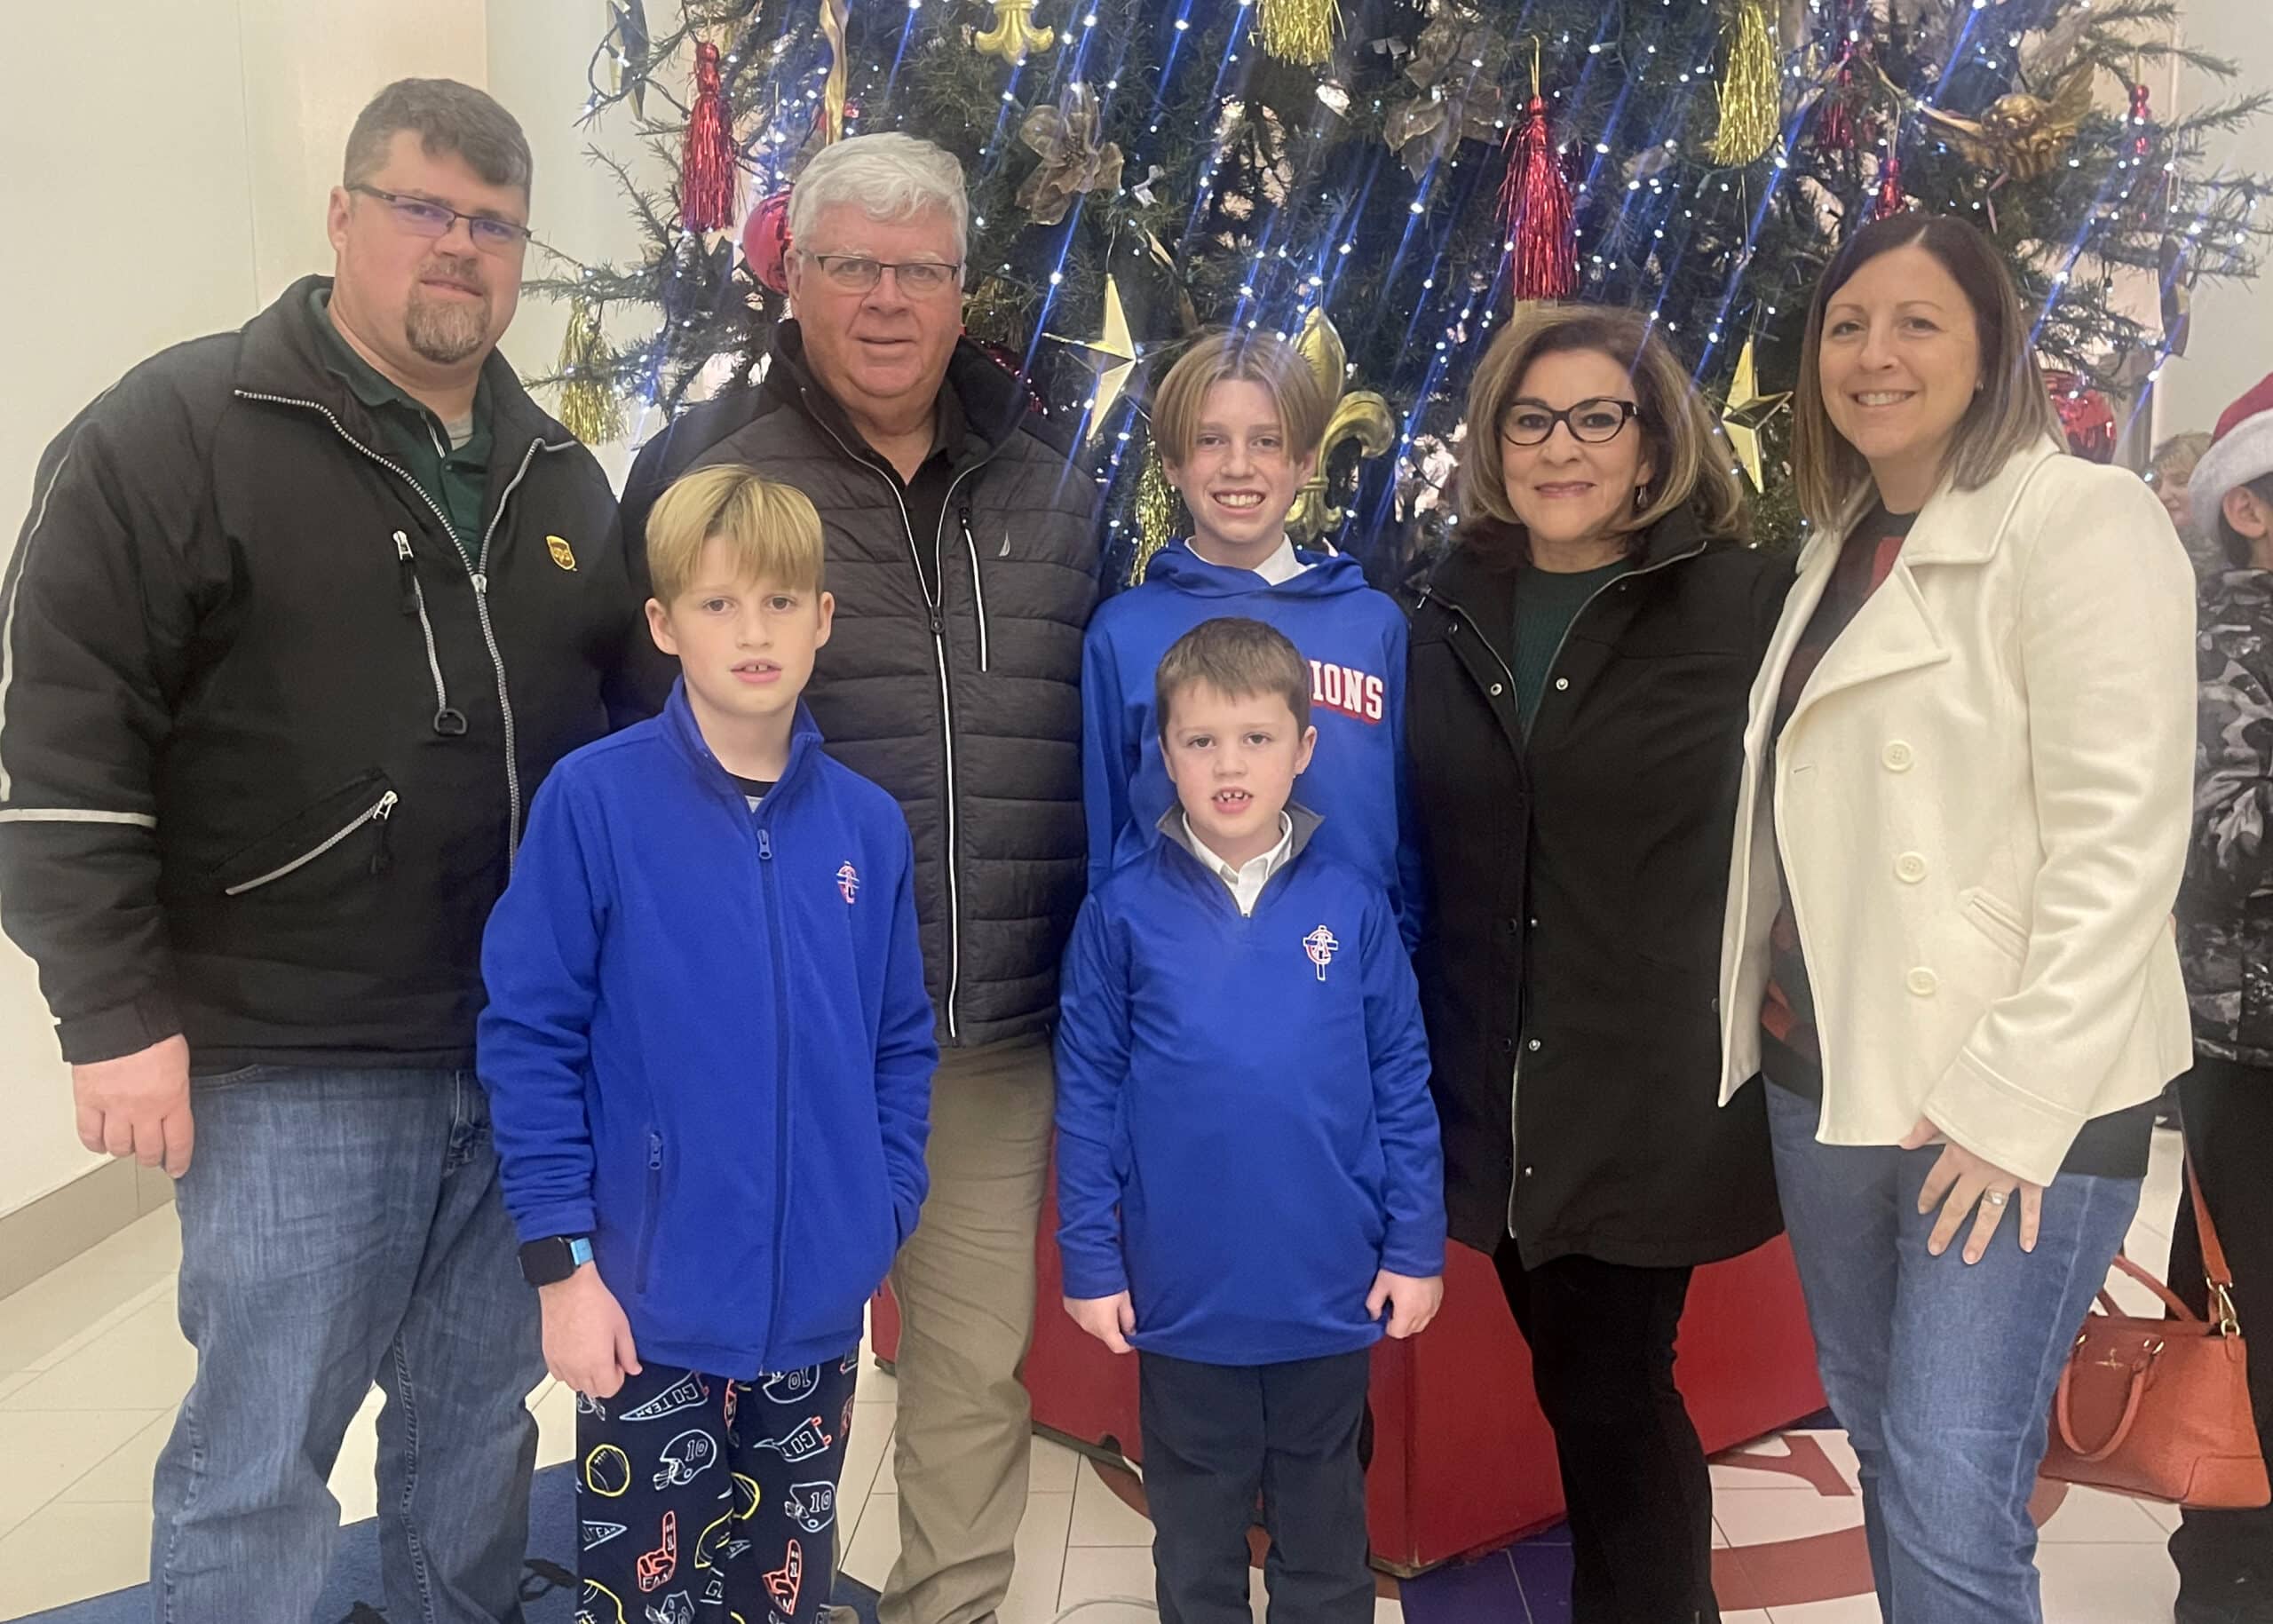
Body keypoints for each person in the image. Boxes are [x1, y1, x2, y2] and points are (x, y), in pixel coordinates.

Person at [0, 79, 661, 1621]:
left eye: (494, 225)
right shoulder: (175, 434)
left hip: (512, 1055)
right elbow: (67, 744)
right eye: (426, 210)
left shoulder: (560, 477)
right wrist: (111, 1011)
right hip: (284, 1052)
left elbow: (636, 754)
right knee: (263, 1452)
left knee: (475, 1422)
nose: (461, 251)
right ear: (345, 215)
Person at [619, 131, 1099, 1624]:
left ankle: (947, 1605)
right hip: (773, 1031)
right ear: (796, 277)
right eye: (854, 265)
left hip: (992, 1024)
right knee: (747, 1352)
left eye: (922, 269)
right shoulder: (710, 478)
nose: (889, 299)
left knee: (970, 1362)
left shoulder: (1056, 493)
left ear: (963, 293)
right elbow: (627, 763)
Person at [1716, 212, 2197, 1624]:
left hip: (2009, 1095)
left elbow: (2125, 834)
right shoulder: (1840, 541)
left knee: (1948, 1478)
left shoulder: (2080, 517)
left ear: (1992, 349)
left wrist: (2014, 1090)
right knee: (1888, 1445)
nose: (1874, 354)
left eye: (1918, 321)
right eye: (1847, 324)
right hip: (1835, 1068)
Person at [477, 465, 936, 1623]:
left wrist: (877, 1208)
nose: (753, 633)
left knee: (782, 1594)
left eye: (782, 603)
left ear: (823, 619)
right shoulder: (595, 804)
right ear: (664, 624)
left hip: (817, 1317)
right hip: (645, 1311)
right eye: (720, 604)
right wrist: (564, 1271)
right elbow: (530, 1037)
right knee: (647, 1603)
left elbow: (897, 1042)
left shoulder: (867, 829)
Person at [1403, 304, 1789, 1624]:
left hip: (1643, 1094)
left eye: (1596, 417)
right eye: (1529, 419)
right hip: (1493, 1090)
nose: (1559, 448)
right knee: (1585, 1388)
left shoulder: (1745, 603)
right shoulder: (1451, 603)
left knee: (1616, 1393)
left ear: (1652, 440)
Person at [1055, 617, 1445, 1624]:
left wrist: (1414, 1245)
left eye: (1257, 737)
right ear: (1163, 754)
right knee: (1193, 1538)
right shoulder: (1121, 915)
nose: (1229, 764)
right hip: (1183, 1295)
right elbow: (1090, 1089)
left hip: (1328, 1287)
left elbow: (1402, 1076)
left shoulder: (1352, 906)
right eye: (1200, 740)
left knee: (1323, 1536)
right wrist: (1090, 1259)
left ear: (1304, 747)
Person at [1081, 330, 1420, 934]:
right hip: (1180, 987)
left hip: (1346, 984)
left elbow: (1411, 832)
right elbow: (1108, 844)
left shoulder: (1373, 625)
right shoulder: (1123, 633)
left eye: (1267, 441)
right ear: (1172, 463)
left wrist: (1402, 960)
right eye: (1210, 441)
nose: (1239, 466)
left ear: (1306, 460)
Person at [2170, 373, 2273, 1624]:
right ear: (2248, 508)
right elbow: (2211, 853)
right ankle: (2232, 1586)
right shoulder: (2211, 643)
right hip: (2243, 1055)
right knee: (2240, 1342)